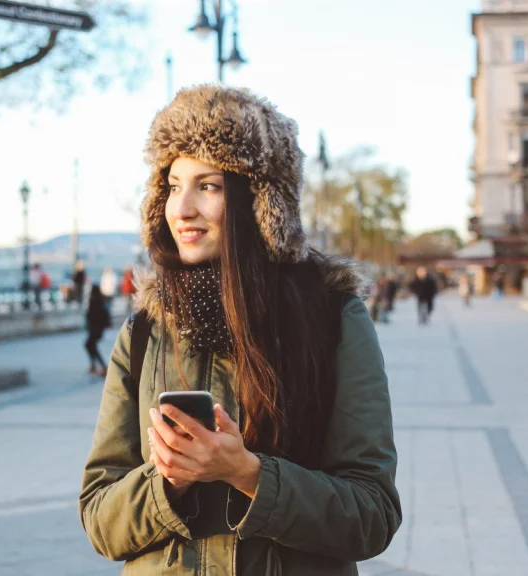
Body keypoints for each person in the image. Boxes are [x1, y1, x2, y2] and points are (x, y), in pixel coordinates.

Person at [79, 85, 401, 574]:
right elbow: (100, 520)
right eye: (172, 184)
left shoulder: (332, 318)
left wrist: (248, 474)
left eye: (207, 185)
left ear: (259, 201)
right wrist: (166, 482)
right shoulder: (145, 328)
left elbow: (372, 514)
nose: (181, 207)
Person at [85, 284, 111, 376]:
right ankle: (95, 365)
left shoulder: (94, 302)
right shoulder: (101, 302)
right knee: (90, 346)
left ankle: (102, 366)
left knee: (90, 346)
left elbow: (89, 316)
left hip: (95, 330)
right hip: (97, 330)